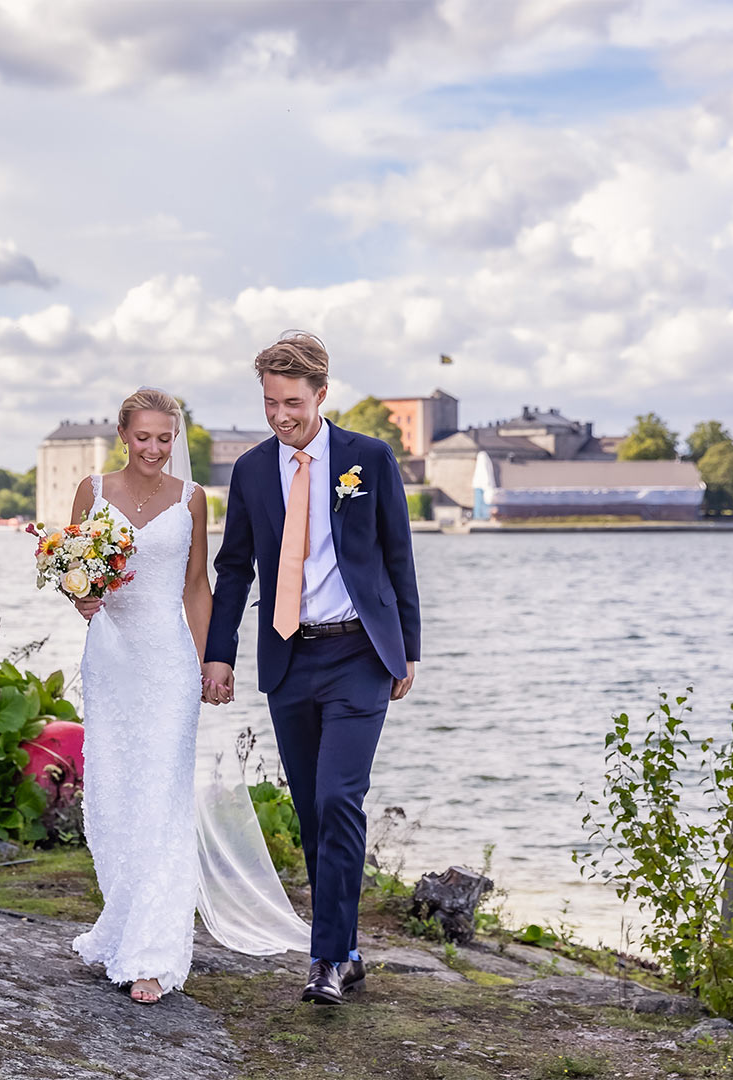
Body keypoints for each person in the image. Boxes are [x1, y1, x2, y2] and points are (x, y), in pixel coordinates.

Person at [202, 331, 421, 1006]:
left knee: (337, 799)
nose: (280, 416)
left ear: (322, 395)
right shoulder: (250, 470)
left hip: (360, 652)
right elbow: (234, 567)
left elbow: (397, 554)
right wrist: (219, 651)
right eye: (270, 402)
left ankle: (324, 959)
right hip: (290, 656)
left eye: (292, 403)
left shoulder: (369, 460)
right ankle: (348, 950)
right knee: (311, 812)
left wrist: (408, 646)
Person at [67, 388, 211, 1004]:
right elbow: (73, 571)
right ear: (123, 434)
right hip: (112, 657)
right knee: (117, 795)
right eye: (144, 436)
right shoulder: (91, 491)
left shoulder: (192, 498)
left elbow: (197, 587)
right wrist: (80, 598)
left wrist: (211, 665)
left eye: (165, 438)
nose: (155, 449)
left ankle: (154, 950)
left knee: (162, 797)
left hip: (169, 662)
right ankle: (124, 925)